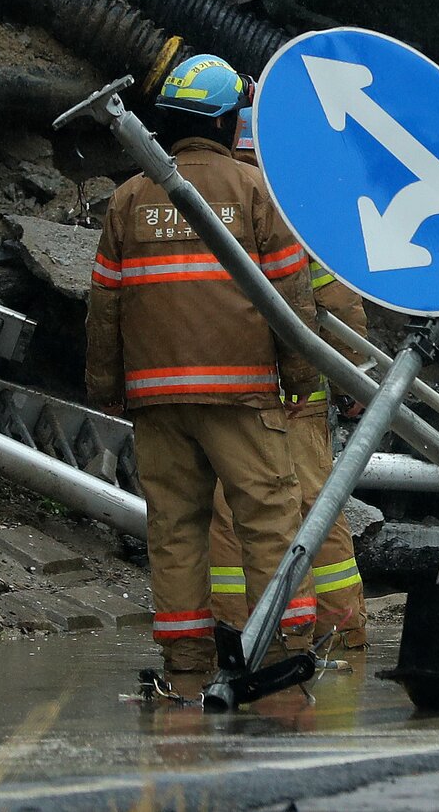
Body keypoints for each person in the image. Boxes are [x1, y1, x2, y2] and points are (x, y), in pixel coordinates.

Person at [85, 54, 321, 687]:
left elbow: (105, 304)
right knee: (269, 518)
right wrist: (302, 378)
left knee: (175, 529)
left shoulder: (130, 198)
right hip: (240, 394)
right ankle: (280, 655)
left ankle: (186, 667)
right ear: (225, 120)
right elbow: (290, 299)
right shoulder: (254, 192)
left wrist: (107, 388)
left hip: (156, 401)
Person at [210, 107, 370, 651]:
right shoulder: (304, 208)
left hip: (236, 390)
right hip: (300, 395)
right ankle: (340, 626)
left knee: (237, 510)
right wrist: (354, 382)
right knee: (317, 510)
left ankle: (237, 630)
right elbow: (338, 303)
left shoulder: (211, 203)